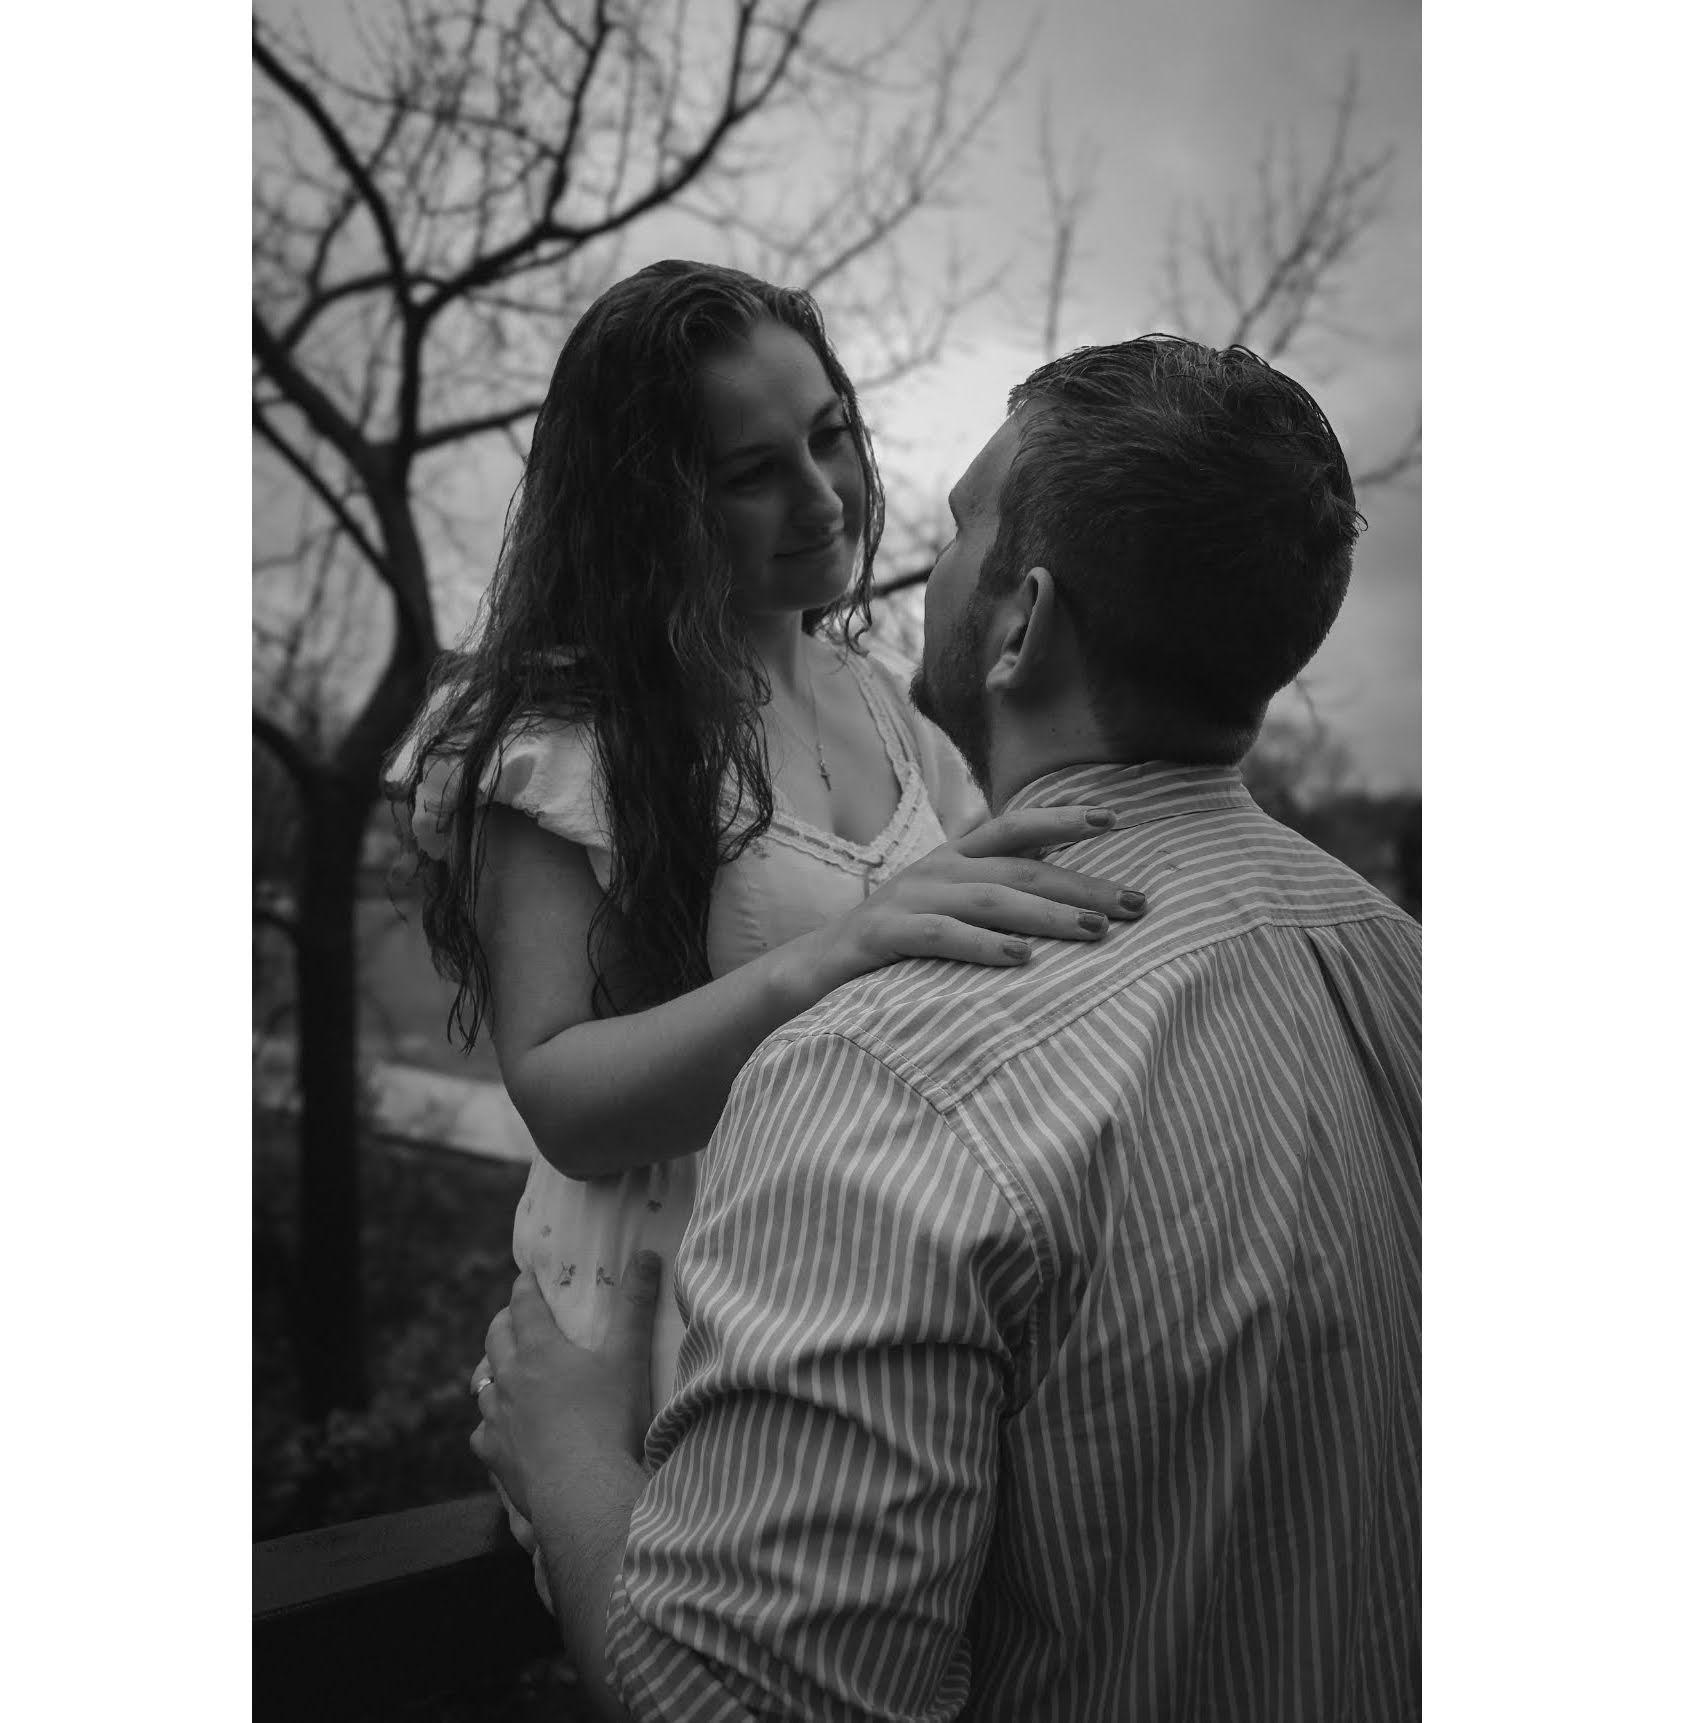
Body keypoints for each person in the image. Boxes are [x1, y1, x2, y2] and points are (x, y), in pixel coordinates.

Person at [473, 334, 1422, 1721]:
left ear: (1019, 622)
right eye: (751, 467)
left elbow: (737, 1704)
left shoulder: (884, 1079)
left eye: (964, 520)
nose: (851, 508)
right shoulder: (1398, 963)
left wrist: (567, 1463)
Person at [390, 260, 1147, 1422]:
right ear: (647, 508)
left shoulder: (897, 708)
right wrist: (842, 954)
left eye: (829, 436)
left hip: (861, 1305)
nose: (822, 497)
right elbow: (562, 1101)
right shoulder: (563, 731)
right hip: (652, 1331)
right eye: (752, 474)